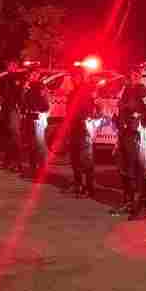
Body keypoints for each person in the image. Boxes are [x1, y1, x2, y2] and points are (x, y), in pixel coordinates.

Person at [112, 63, 146, 219]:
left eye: (132, 75)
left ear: (138, 76)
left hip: (136, 135)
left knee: (139, 170)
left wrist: (140, 124)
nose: (129, 78)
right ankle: (128, 202)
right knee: (125, 170)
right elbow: (122, 110)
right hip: (124, 134)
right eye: (127, 75)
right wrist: (118, 120)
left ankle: (143, 204)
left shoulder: (143, 92)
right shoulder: (126, 91)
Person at [66, 66, 98, 197]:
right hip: (74, 126)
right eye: (73, 77)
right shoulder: (73, 92)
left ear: (81, 77)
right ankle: (78, 184)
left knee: (86, 159)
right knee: (74, 158)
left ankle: (89, 188)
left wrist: (86, 119)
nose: (74, 79)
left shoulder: (88, 91)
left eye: (76, 77)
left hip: (84, 127)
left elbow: (93, 108)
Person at [21, 65, 51, 180]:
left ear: (38, 75)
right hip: (29, 116)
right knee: (31, 145)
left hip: (38, 116)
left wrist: (42, 113)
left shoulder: (41, 87)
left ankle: (42, 170)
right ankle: (33, 169)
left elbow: (46, 104)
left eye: (35, 74)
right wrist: (24, 90)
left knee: (40, 144)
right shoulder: (28, 87)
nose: (32, 76)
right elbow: (23, 102)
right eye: (31, 74)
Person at [0, 60, 24, 171]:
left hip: (14, 109)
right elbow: (2, 94)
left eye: (12, 66)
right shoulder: (6, 78)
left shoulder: (18, 78)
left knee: (15, 136)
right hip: (6, 110)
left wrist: (20, 109)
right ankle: (7, 162)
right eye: (8, 66)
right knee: (8, 136)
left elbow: (20, 95)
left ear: (16, 67)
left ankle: (17, 163)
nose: (10, 67)